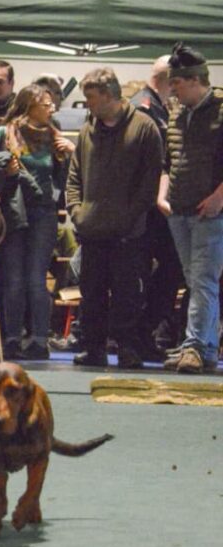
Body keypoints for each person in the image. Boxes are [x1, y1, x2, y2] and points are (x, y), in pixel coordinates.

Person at [66, 68, 162, 369]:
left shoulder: (144, 128)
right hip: (91, 230)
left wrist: (130, 218)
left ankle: (127, 348)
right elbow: (73, 177)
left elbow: (150, 181)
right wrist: (77, 213)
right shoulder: (86, 130)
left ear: (109, 95)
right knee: (91, 294)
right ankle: (93, 348)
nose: (88, 104)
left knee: (128, 295)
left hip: (129, 234)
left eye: (92, 98)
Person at [0, 84, 75, 359]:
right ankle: (11, 339)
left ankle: (39, 340)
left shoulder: (52, 136)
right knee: (13, 278)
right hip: (12, 211)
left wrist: (68, 155)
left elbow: (62, 181)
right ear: (30, 105)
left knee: (36, 279)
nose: (52, 109)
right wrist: (6, 171)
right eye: (46, 104)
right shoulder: (3, 133)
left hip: (43, 213)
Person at [159, 44, 223, 374]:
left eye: (178, 83)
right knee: (196, 280)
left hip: (210, 212)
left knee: (202, 280)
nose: (172, 89)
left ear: (195, 80)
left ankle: (195, 347)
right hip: (180, 210)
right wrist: (163, 196)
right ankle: (206, 348)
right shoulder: (177, 114)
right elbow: (168, 163)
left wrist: (218, 197)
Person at [130, 56, 184, 358]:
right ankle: (141, 334)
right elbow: (152, 163)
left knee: (167, 271)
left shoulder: (157, 106)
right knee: (160, 271)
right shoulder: (145, 109)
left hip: (155, 207)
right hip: (149, 209)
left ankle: (145, 334)